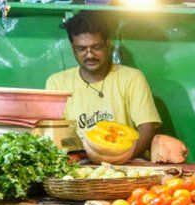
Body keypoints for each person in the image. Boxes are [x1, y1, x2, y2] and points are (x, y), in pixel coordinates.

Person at [45, 11, 161, 161]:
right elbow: (53, 135)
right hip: (79, 165)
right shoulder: (57, 82)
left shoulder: (132, 78)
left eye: (96, 47)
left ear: (108, 45)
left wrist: (120, 161)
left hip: (127, 164)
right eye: (81, 49)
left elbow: (147, 129)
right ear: (73, 50)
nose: (89, 55)